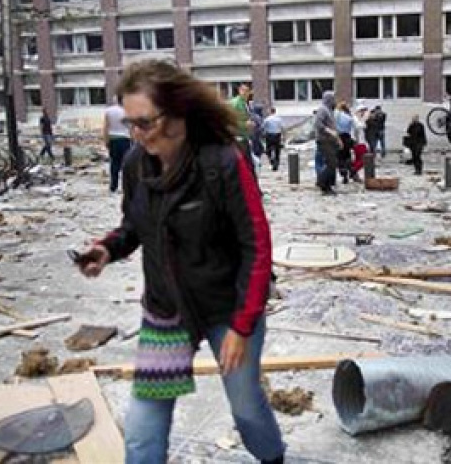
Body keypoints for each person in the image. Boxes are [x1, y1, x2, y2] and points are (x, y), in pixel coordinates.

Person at [74, 60, 284, 464]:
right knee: (142, 431)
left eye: (146, 122)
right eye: (131, 123)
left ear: (179, 113)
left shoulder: (224, 160)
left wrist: (242, 326)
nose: (137, 134)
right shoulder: (136, 164)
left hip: (228, 309)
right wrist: (108, 248)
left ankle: (274, 458)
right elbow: (134, 226)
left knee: (247, 408)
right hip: (167, 311)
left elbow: (256, 244)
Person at [315, 91, 341, 195]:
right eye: (333, 98)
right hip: (324, 140)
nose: (335, 101)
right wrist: (329, 131)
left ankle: (328, 185)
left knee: (332, 163)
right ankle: (322, 183)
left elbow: (333, 126)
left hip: (331, 141)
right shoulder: (322, 109)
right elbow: (318, 124)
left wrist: (338, 139)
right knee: (331, 163)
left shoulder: (330, 111)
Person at [103, 96, 131, 192]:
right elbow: (131, 127)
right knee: (126, 164)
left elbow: (106, 127)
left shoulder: (108, 111)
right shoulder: (127, 111)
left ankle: (113, 186)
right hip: (125, 139)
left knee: (114, 163)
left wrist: (106, 140)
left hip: (113, 139)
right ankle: (126, 186)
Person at [335, 102, 356, 184]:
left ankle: (344, 175)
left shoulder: (337, 116)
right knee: (347, 155)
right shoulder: (349, 117)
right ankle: (351, 169)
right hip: (347, 137)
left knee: (340, 157)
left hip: (339, 137)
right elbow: (354, 128)